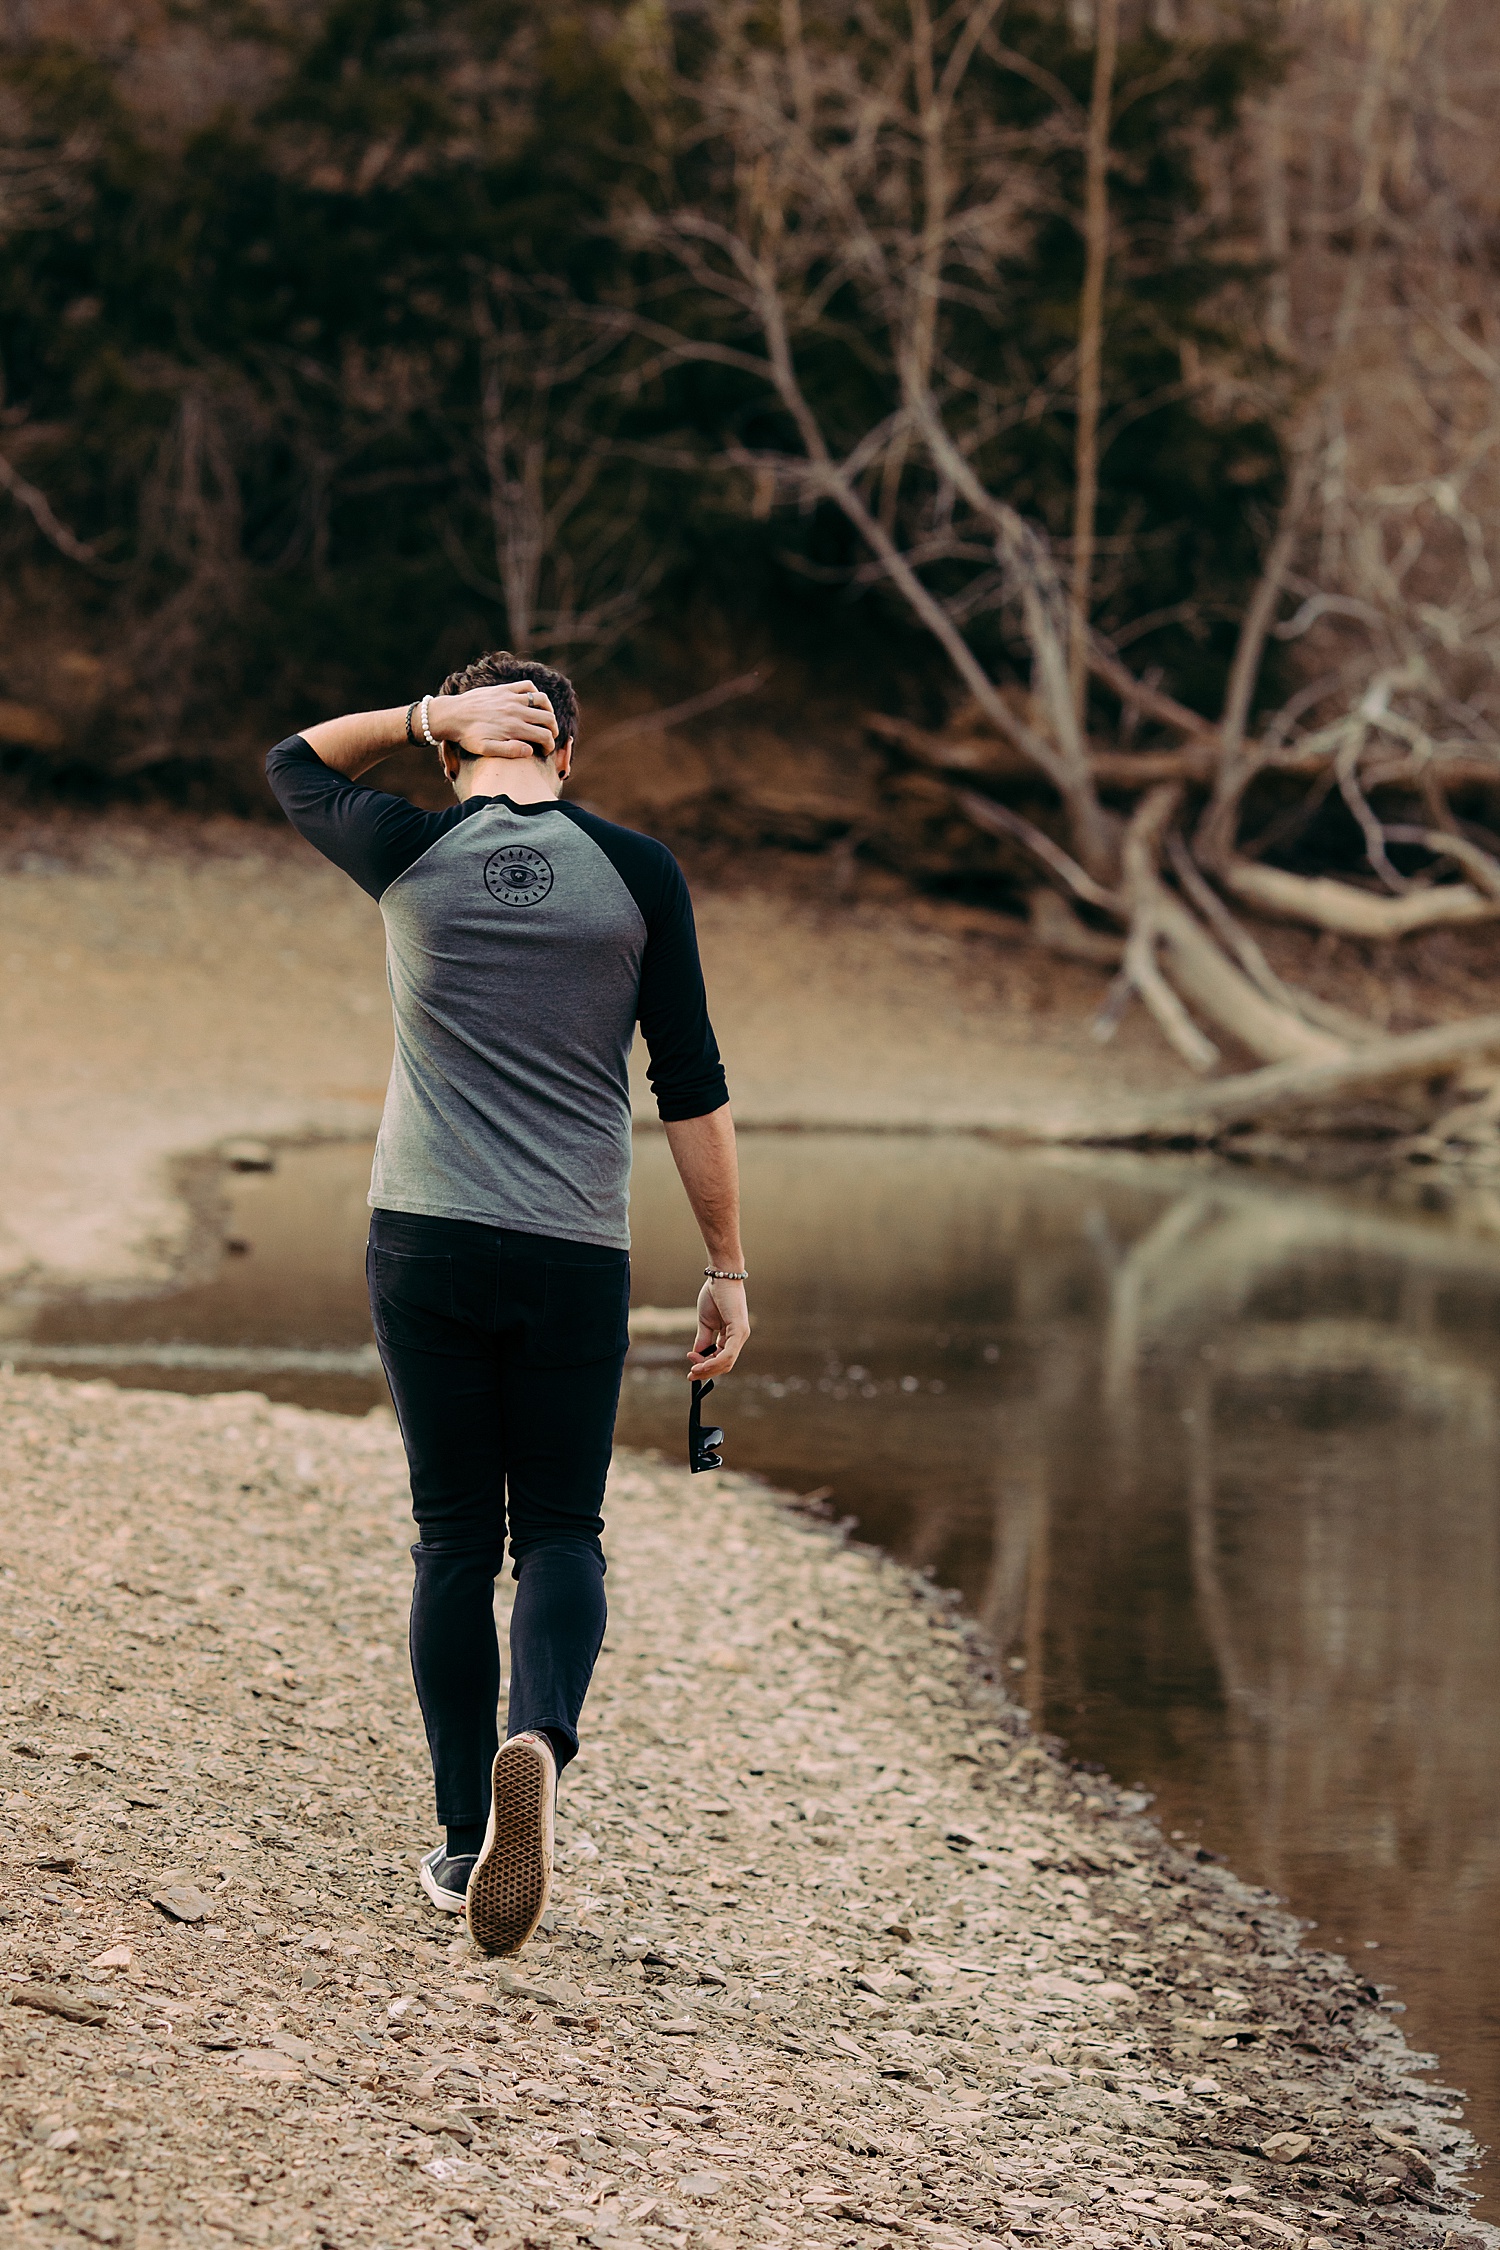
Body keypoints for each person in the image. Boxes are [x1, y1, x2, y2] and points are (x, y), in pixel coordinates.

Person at [266, 652, 750, 1955]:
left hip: (422, 1238)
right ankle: (534, 1732)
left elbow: (294, 760)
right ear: (569, 754)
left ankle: (463, 1836)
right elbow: (690, 1081)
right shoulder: (636, 874)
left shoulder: (405, 849)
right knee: (559, 1531)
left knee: (450, 1540)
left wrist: (424, 717)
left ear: (456, 750)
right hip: (571, 1251)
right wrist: (727, 1267)